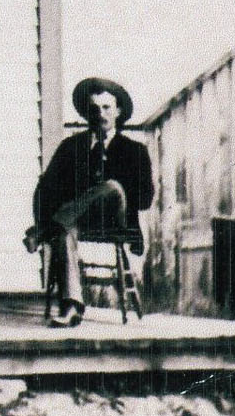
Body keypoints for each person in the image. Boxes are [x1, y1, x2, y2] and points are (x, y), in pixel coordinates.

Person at [29, 75, 154, 324]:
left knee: (111, 186)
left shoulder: (134, 150)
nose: (101, 114)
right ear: (87, 112)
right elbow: (45, 188)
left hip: (116, 216)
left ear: (118, 111)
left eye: (107, 107)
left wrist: (119, 183)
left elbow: (145, 199)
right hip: (81, 218)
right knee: (65, 230)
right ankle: (72, 306)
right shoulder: (71, 146)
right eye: (94, 108)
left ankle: (43, 230)